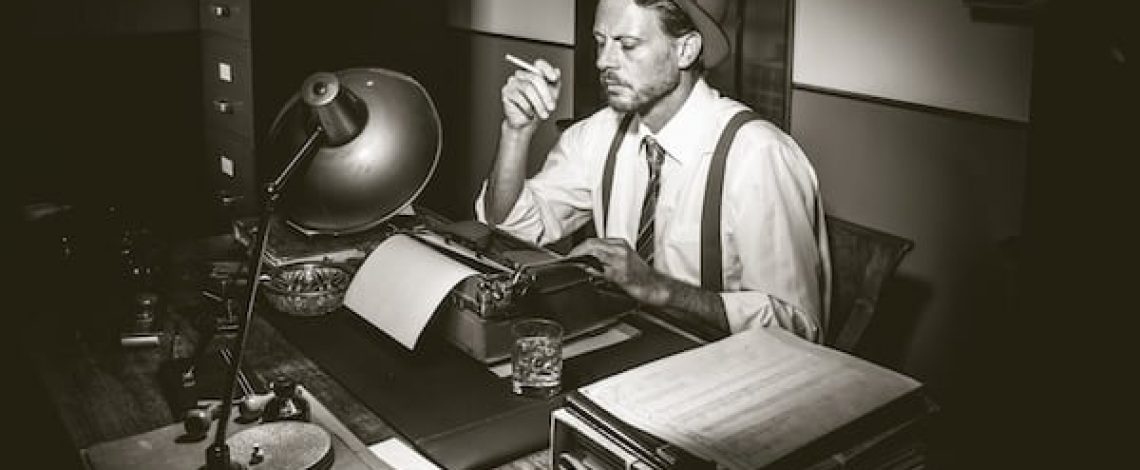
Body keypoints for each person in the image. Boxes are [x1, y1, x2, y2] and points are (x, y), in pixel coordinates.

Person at [476, 0, 830, 342]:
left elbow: (798, 329)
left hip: (725, 375)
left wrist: (662, 289)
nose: (603, 61)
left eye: (627, 45)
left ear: (687, 50)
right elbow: (510, 225)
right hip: (625, 352)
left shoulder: (759, 156)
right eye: (600, 42)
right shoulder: (599, 134)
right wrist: (516, 133)